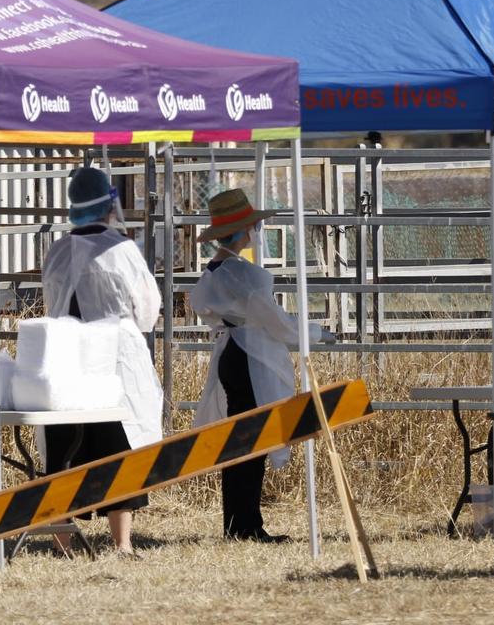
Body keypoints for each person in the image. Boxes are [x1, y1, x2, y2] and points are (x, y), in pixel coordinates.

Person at [41, 167, 163, 558]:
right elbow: (147, 308)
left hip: (65, 361)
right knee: (117, 447)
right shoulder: (121, 250)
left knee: (64, 452)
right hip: (113, 361)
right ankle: (121, 542)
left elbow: (49, 302)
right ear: (109, 206)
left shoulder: (57, 250)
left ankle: (63, 543)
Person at [189, 188, 323, 543]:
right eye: (249, 227)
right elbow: (272, 320)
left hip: (233, 353)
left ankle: (240, 522)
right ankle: (245, 525)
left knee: (240, 443)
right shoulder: (241, 274)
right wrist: (312, 333)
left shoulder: (214, 271)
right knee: (252, 441)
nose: (253, 232)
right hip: (250, 356)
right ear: (242, 231)